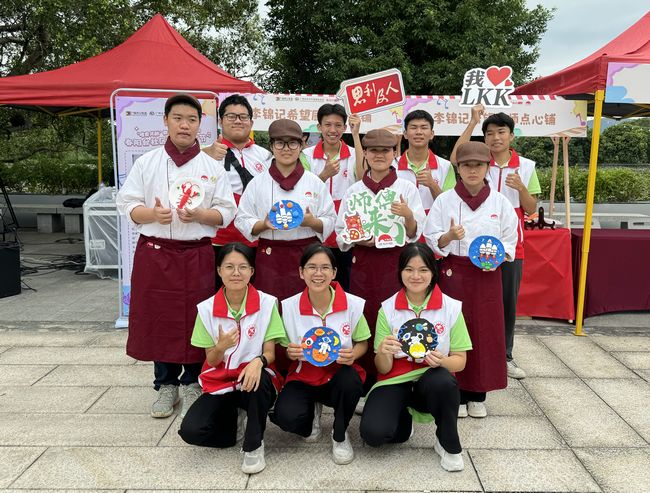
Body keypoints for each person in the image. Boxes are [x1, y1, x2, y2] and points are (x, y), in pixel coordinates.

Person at [116, 93, 237, 419]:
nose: (185, 125)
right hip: (156, 253)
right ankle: (165, 384)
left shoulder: (211, 167)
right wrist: (152, 214)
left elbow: (226, 212)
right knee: (160, 318)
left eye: (192, 119)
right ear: (166, 121)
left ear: (200, 124)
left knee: (198, 318)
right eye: (178, 118)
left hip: (196, 253)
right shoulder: (147, 162)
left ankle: (192, 380)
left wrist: (200, 214)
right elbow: (127, 204)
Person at [424, 141, 518, 418]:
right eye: (467, 165)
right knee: (452, 327)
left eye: (478, 165)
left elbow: (510, 239)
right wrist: (449, 237)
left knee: (485, 330)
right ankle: (455, 391)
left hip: (487, 275)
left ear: (488, 167)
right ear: (459, 169)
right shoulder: (445, 200)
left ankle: (479, 393)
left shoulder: (500, 202)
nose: (473, 170)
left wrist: (498, 258)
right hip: (454, 272)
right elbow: (431, 237)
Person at [359, 243, 472, 472]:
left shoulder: (451, 308)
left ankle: (447, 443)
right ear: (400, 272)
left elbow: (460, 360)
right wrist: (384, 351)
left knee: (443, 382)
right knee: (374, 434)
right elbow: (382, 368)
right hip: (395, 377)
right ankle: (403, 421)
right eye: (409, 269)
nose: (416, 276)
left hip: (432, 375)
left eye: (423, 270)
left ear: (433, 272)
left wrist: (442, 362)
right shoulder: (387, 308)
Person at [178, 243, 285, 474]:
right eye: (229, 267)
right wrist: (221, 347)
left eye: (242, 267)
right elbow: (212, 360)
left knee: (257, 381)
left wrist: (258, 362)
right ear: (219, 271)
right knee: (191, 432)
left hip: (254, 378)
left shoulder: (267, 304)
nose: (236, 273)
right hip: (222, 381)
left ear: (252, 271)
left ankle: (254, 445)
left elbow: (270, 353)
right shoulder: (206, 309)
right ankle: (234, 424)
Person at [451, 105, 541, 379]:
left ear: (511, 135)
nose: (495, 138)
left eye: (501, 132)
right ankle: (470, 353)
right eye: (489, 133)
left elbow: (531, 208)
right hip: (473, 245)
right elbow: (456, 158)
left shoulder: (526, 166)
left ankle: (505, 356)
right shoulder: (478, 162)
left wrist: (521, 188)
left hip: (510, 246)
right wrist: (472, 122)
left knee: (506, 303)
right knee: (473, 301)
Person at [270, 244, 370, 464]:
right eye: (312, 267)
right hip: (304, 375)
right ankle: (311, 414)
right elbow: (284, 347)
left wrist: (353, 354)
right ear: (301, 272)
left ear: (334, 272)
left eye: (325, 267)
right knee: (287, 418)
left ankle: (340, 434)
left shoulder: (352, 304)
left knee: (351, 382)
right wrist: (290, 352)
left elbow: (362, 342)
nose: (318, 273)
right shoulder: (289, 307)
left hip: (339, 373)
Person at [235, 119, 337, 302]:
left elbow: (330, 218)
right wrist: (263, 225)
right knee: (270, 305)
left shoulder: (314, 182)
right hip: (270, 256)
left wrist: (312, 222)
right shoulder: (257, 183)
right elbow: (242, 219)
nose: (286, 149)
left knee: (305, 306)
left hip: (308, 255)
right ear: (271, 146)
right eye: (280, 143)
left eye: (292, 143)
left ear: (301, 146)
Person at [335, 129, 425, 332]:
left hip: (396, 260)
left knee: (395, 314)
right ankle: (363, 352)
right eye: (373, 150)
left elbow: (414, 234)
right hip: (362, 260)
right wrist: (356, 239)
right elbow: (341, 231)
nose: (379, 155)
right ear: (365, 154)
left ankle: (394, 352)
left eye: (385, 150)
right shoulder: (354, 191)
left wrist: (408, 215)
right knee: (362, 313)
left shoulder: (406, 188)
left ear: (394, 153)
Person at [203, 94, 273, 288]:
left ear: (251, 122)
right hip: (217, 239)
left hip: (256, 239)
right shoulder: (206, 154)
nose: (238, 121)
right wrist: (205, 154)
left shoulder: (265, 156)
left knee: (256, 293)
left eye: (243, 117)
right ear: (220, 121)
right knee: (217, 293)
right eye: (231, 116)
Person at [302, 104, 363, 291]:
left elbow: (363, 179)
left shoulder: (354, 154)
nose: (332, 130)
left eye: (338, 125)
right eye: (327, 125)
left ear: (345, 127)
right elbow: (301, 190)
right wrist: (323, 176)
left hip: (347, 228)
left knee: (345, 284)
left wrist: (356, 135)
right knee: (316, 281)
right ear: (319, 127)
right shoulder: (306, 156)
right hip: (315, 228)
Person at [396, 110, 456, 213]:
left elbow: (450, 206)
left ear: (432, 134)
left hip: (434, 222)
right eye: (413, 127)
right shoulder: (392, 166)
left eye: (424, 127)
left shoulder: (445, 166)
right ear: (405, 134)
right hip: (401, 222)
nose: (419, 132)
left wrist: (432, 184)